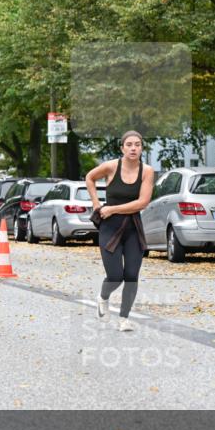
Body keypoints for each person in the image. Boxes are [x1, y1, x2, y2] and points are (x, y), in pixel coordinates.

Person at [84, 131, 155, 332]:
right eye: (129, 144)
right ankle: (103, 297)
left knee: (131, 275)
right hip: (110, 228)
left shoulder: (147, 171)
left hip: (133, 228)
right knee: (115, 276)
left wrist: (112, 208)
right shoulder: (111, 166)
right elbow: (89, 177)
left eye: (138, 145)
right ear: (122, 148)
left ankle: (124, 318)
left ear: (142, 148)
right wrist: (97, 204)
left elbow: (143, 202)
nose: (133, 148)